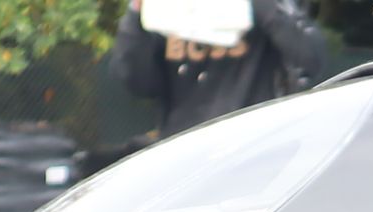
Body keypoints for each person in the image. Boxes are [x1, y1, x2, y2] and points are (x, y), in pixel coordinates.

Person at [110, 0, 330, 139]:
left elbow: (311, 58)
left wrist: (266, 8)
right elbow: (138, 83)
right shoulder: (165, 11)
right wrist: (135, 15)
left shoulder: (264, 9)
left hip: (256, 142)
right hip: (184, 149)